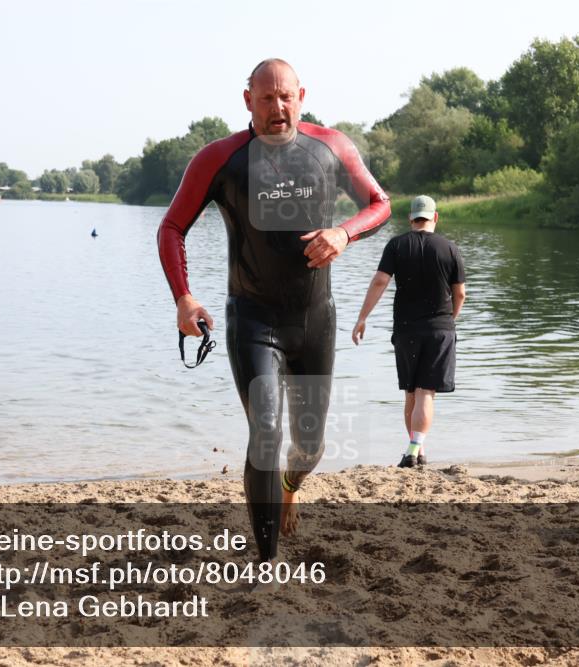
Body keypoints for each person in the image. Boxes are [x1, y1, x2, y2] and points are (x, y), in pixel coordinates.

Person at [157, 59, 390, 568]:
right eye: (266, 98)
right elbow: (172, 227)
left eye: (285, 97)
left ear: (301, 96)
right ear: (248, 101)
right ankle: (267, 560)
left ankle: (291, 484)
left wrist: (343, 233)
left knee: (309, 447)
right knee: (266, 431)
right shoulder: (219, 159)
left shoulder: (333, 147)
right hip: (252, 318)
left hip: (314, 321)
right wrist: (184, 296)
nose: (277, 107)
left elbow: (379, 202)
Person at [351, 195, 466, 468]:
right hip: (440, 329)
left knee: (411, 393)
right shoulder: (450, 248)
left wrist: (362, 317)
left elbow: (380, 280)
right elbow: (460, 293)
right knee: (427, 392)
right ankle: (415, 448)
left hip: (406, 329)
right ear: (435, 217)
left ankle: (416, 450)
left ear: (411, 219)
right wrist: (450, 318)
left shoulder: (397, 245)